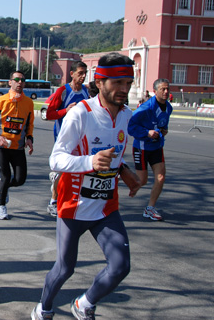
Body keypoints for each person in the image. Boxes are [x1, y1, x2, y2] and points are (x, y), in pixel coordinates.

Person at [31, 53, 142, 320]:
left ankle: (84, 303)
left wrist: (124, 171)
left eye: (128, 83)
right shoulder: (82, 113)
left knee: (120, 266)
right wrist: (90, 161)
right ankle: (43, 308)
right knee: (65, 269)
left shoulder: (126, 115)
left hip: (105, 206)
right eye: (118, 83)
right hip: (74, 205)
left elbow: (114, 153)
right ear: (101, 82)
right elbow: (56, 159)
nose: (124, 90)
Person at [0, 70, 34, 220]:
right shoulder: (0, 101)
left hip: (18, 147)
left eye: (23, 80)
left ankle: (3, 186)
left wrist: (30, 138)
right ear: (10, 82)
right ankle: (1, 207)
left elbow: (29, 124)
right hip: (1, 145)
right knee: (5, 176)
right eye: (17, 79)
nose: (20, 82)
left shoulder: (28, 103)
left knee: (20, 179)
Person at [44, 61, 90, 217]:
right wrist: (66, 110)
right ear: (72, 74)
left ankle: (77, 202)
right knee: (62, 171)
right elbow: (49, 114)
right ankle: (53, 202)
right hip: (63, 138)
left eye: (85, 73)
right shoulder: (63, 91)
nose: (83, 76)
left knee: (81, 169)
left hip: (81, 139)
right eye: (80, 73)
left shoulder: (86, 91)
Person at [128, 78, 172, 221]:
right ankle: (119, 174)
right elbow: (131, 126)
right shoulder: (146, 108)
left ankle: (150, 208)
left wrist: (163, 131)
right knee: (142, 180)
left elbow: (161, 124)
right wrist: (147, 133)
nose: (166, 92)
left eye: (167, 89)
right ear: (155, 91)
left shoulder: (169, 107)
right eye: (162, 89)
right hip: (142, 147)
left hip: (156, 147)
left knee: (161, 177)